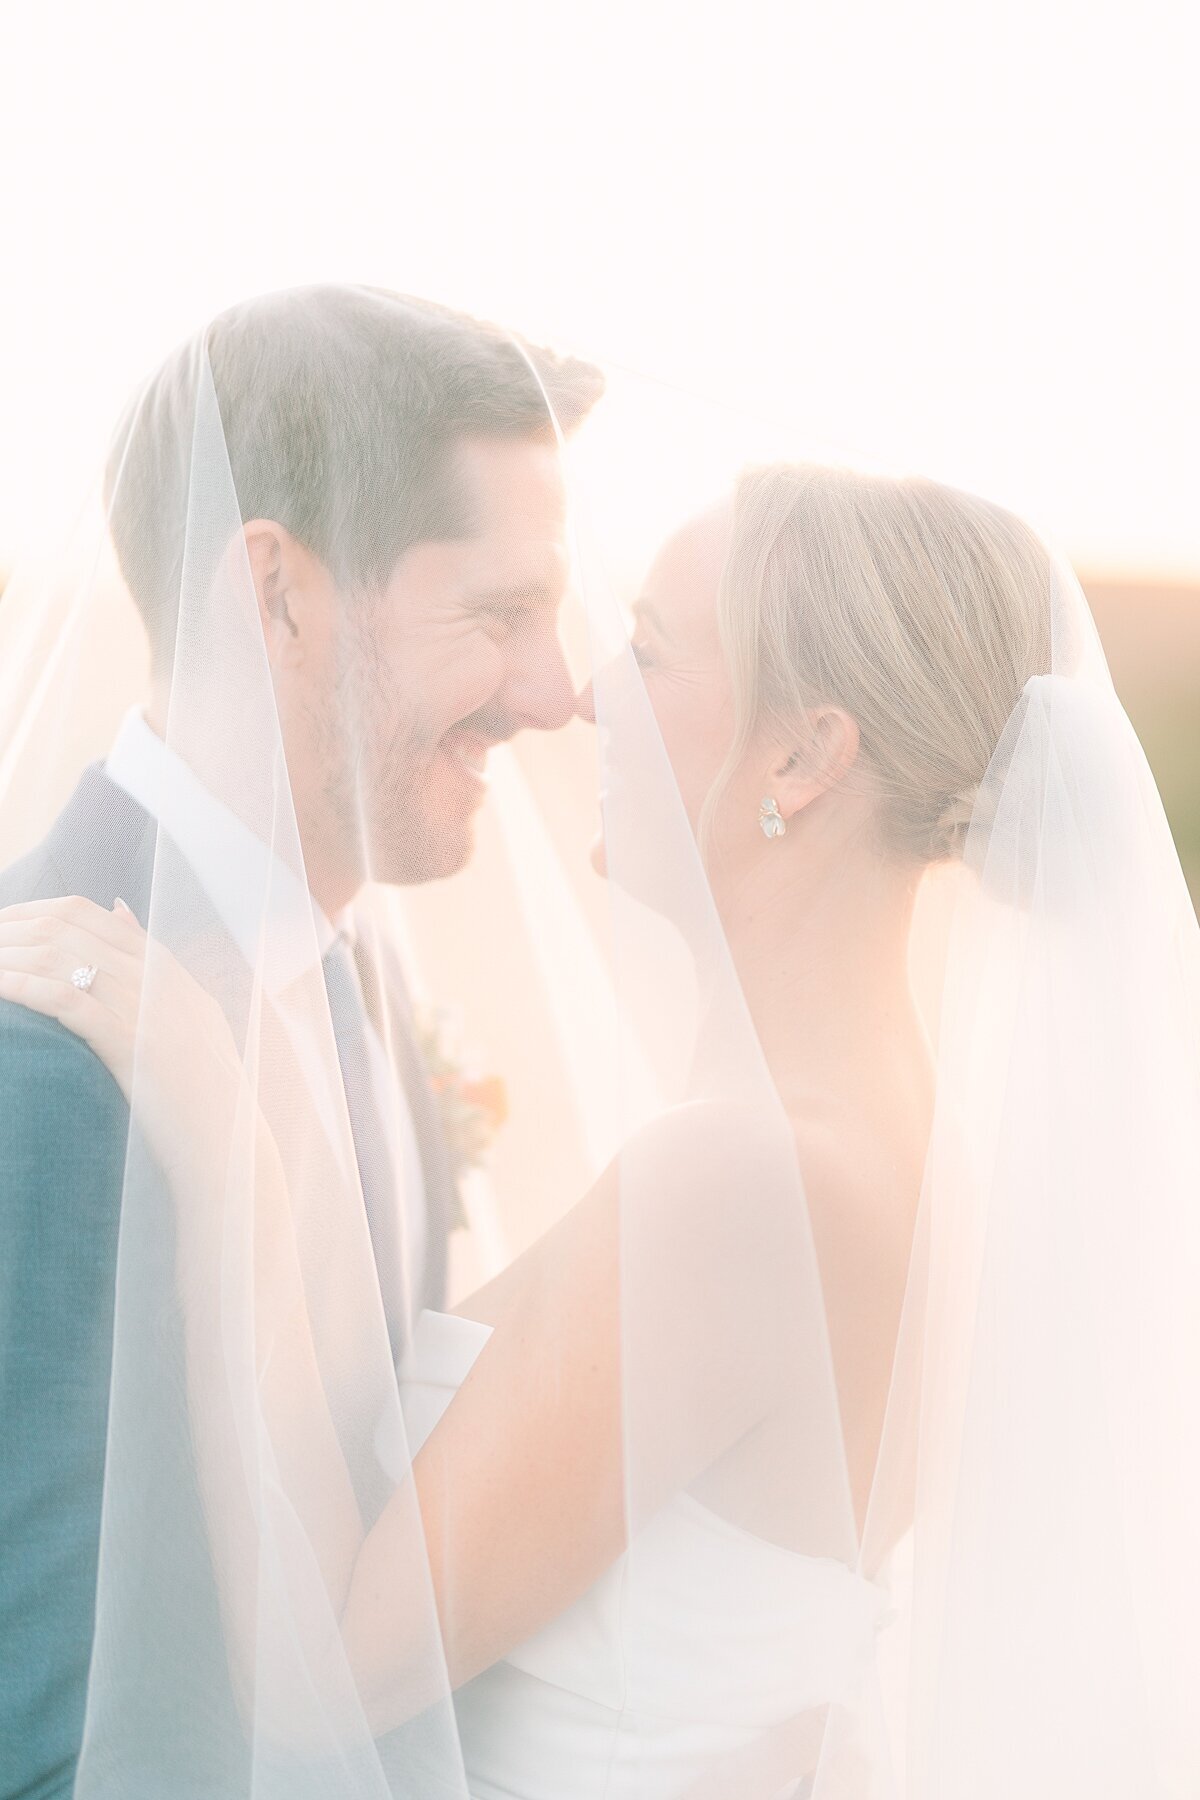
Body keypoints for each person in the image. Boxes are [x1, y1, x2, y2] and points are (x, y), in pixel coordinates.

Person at [6, 434, 1196, 1795]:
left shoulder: (744, 1183)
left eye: (648, 648)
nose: (579, 696)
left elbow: (321, 1670)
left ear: (804, 758)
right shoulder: (897, 1145)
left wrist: (228, 1154)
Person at [0, 286, 602, 1800]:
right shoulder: (48, 1067)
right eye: (499, 614)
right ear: (276, 590)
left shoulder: (363, 971)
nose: (555, 691)